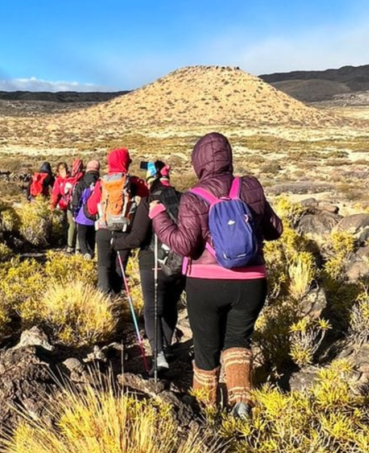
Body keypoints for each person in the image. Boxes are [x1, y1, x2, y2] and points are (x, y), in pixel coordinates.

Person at [150, 132, 282, 416]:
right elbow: (275, 230)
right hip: (251, 282)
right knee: (238, 340)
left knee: (206, 346)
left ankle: (206, 411)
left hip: (206, 282)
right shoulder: (250, 187)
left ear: (199, 162)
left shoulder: (194, 197)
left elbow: (185, 245)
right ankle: (242, 403)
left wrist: (159, 217)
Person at [112, 162, 186, 374]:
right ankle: (168, 347)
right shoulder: (184, 198)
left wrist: (116, 243)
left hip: (152, 263)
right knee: (171, 304)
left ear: (150, 180)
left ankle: (159, 355)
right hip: (179, 262)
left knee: (153, 308)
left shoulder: (149, 201)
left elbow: (137, 237)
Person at [85, 148, 149, 294]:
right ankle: (117, 300)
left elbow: (91, 208)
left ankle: (104, 304)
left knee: (103, 267)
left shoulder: (102, 183)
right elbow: (148, 197)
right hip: (124, 232)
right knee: (119, 269)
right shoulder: (134, 183)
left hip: (103, 230)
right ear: (126, 163)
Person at [51, 159, 84, 251]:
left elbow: (56, 194)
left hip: (70, 204)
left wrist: (52, 205)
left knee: (71, 224)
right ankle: (74, 245)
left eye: (63, 169)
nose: (63, 171)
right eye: (61, 169)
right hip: (69, 204)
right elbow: (56, 194)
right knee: (72, 224)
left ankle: (71, 246)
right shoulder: (66, 179)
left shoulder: (69, 179)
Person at [70, 160, 100, 257]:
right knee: (91, 238)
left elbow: (76, 199)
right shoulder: (100, 183)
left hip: (82, 216)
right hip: (95, 216)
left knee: (82, 237)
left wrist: (74, 213)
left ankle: (85, 254)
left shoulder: (82, 183)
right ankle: (91, 254)